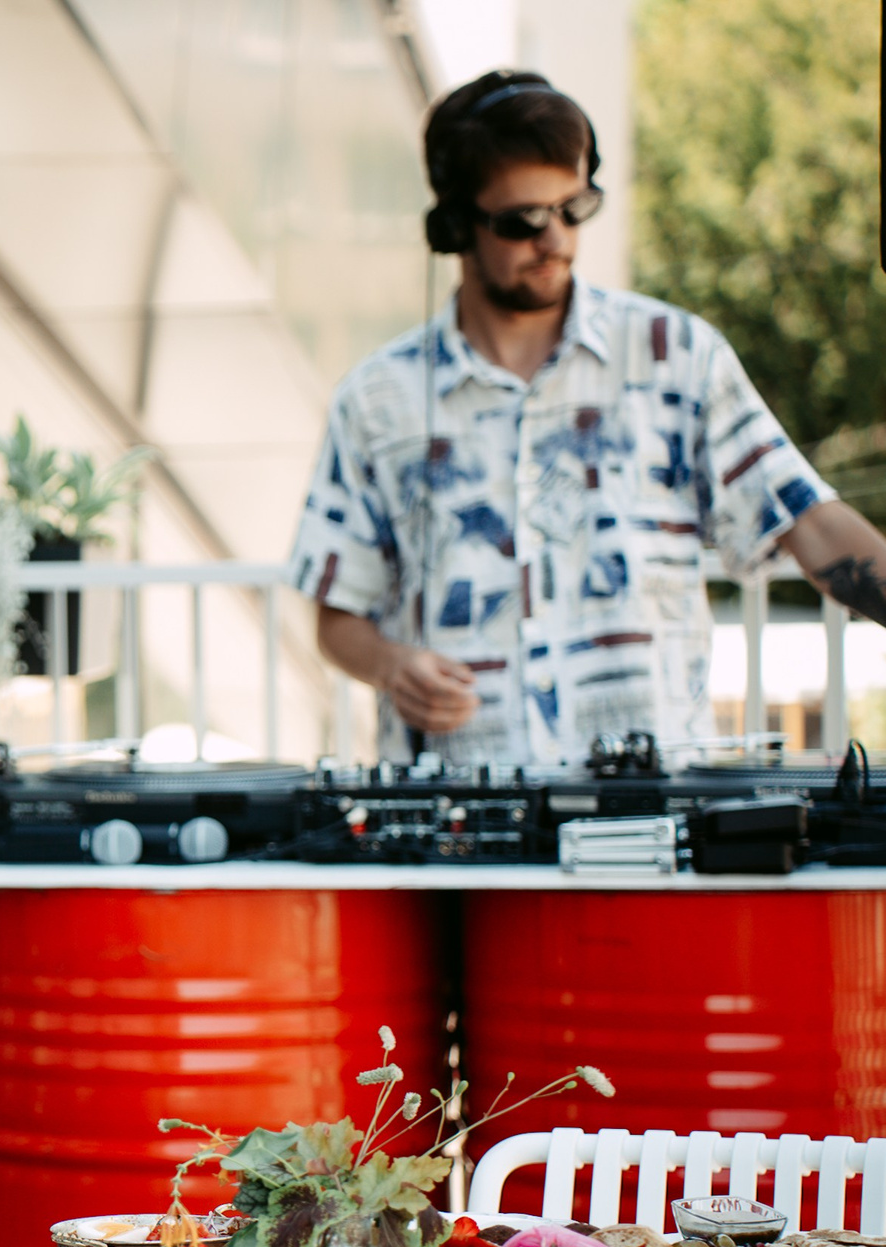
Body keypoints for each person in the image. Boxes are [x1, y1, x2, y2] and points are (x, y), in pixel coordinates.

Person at [291, 70, 886, 768]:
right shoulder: (375, 399)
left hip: (650, 813)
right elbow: (338, 613)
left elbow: (808, 520)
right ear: (455, 225)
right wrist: (392, 666)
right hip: (461, 819)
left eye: (576, 209)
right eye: (523, 222)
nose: (557, 241)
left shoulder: (677, 355)